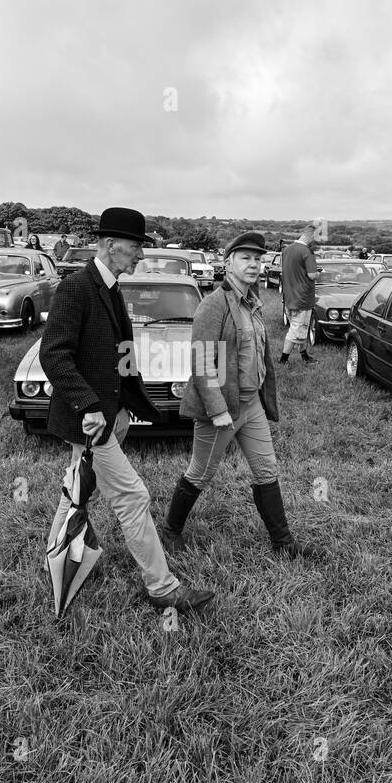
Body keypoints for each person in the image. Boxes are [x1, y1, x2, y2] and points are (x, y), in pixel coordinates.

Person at [40, 206, 214, 615]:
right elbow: (54, 355)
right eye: (136, 246)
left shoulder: (113, 288)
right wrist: (91, 406)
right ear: (109, 244)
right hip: (89, 421)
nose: (140, 254)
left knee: (76, 488)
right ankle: (162, 588)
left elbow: (121, 355)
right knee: (134, 496)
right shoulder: (76, 289)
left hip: (107, 416)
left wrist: (125, 407)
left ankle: (56, 555)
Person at [164, 232, 322, 559]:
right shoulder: (214, 305)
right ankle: (170, 530)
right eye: (245, 258)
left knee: (267, 469)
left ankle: (283, 543)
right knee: (201, 472)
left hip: (251, 405)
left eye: (258, 258)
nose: (253, 264)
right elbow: (202, 361)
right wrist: (218, 410)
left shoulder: (252, 301)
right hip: (221, 410)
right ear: (228, 263)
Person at [279, 222, 319, 363]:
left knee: (301, 328)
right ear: (310, 235)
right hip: (303, 297)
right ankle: (283, 360)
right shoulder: (306, 251)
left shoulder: (287, 250)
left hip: (289, 295)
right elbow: (312, 275)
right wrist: (318, 272)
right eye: (314, 237)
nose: (314, 240)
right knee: (297, 330)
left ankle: (304, 356)